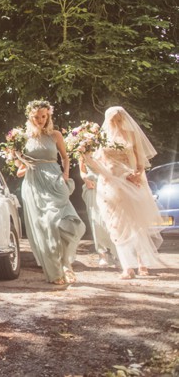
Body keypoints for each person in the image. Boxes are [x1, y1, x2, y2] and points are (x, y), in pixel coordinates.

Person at [84, 106, 164, 279]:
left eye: (119, 119)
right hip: (110, 183)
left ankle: (142, 262)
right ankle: (127, 266)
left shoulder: (130, 135)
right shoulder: (101, 138)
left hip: (129, 180)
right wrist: (86, 156)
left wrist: (138, 174)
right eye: (113, 120)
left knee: (136, 223)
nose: (117, 123)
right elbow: (98, 161)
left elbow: (139, 158)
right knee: (116, 225)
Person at [16, 100, 85, 285]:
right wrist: (20, 161)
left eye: (44, 116)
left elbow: (65, 157)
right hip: (34, 186)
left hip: (55, 182)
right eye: (37, 117)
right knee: (46, 226)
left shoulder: (55, 135)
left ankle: (66, 264)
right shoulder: (23, 139)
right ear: (30, 117)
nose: (40, 120)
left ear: (48, 116)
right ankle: (57, 271)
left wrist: (65, 174)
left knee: (67, 223)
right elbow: (19, 169)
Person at [78, 157, 117, 267]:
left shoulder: (106, 145)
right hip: (92, 187)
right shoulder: (82, 149)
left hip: (107, 185)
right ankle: (102, 254)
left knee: (111, 220)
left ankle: (116, 254)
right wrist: (86, 180)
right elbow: (82, 171)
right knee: (96, 221)